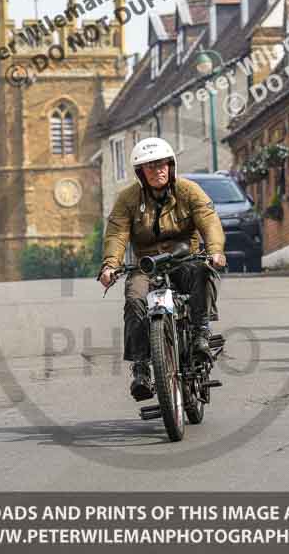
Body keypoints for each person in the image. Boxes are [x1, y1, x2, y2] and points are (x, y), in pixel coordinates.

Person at [98, 137, 226, 401]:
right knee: (135, 300)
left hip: (184, 260)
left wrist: (215, 250)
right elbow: (117, 234)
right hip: (146, 265)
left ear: (171, 165)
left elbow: (208, 219)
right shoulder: (128, 199)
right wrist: (110, 265)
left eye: (162, 164)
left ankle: (201, 332)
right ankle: (142, 368)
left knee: (203, 273)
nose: (158, 170)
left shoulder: (188, 191)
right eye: (150, 166)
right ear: (140, 173)